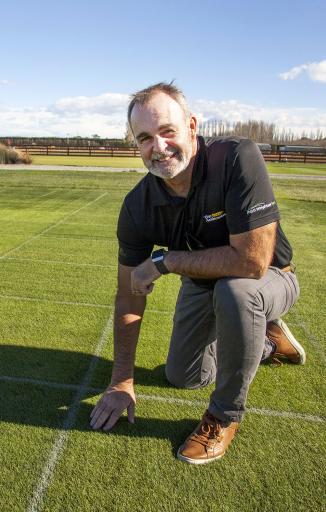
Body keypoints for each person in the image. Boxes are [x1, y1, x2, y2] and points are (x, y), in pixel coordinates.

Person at [89, 82, 305, 464]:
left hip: (269, 278)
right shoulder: (138, 206)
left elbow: (252, 262)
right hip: (203, 283)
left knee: (237, 292)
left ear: (191, 126)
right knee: (183, 376)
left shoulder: (237, 157)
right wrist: (122, 380)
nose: (158, 146)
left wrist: (165, 261)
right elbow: (129, 294)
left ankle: (224, 416)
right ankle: (269, 341)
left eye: (167, 131)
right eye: (144, 138)